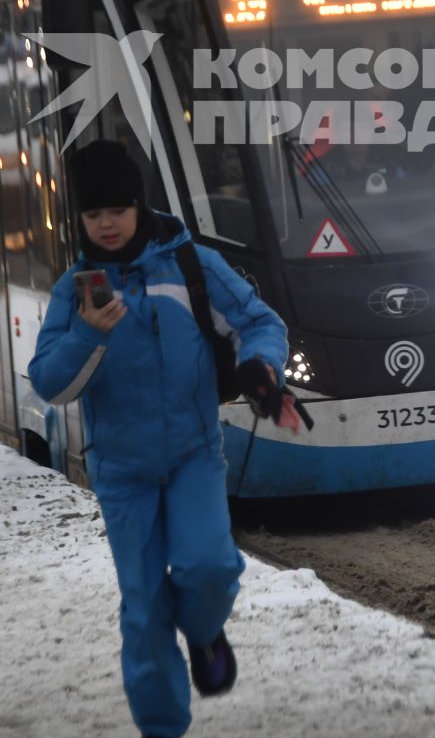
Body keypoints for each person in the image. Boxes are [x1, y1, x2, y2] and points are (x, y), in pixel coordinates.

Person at [29, 139, 303, 738]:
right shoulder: (75, 289)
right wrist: (88, 335)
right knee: (146, 608)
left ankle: (205, 634)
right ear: (79, 219)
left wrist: (262, 371)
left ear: (139, 206)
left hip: (192, 455)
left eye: (117, 210)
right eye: (93, 214)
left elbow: (260, 323)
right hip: (121, 473)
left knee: (208, 568)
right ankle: (162, 727)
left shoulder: (190, 265)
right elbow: (50, 384)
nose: (106, 224)